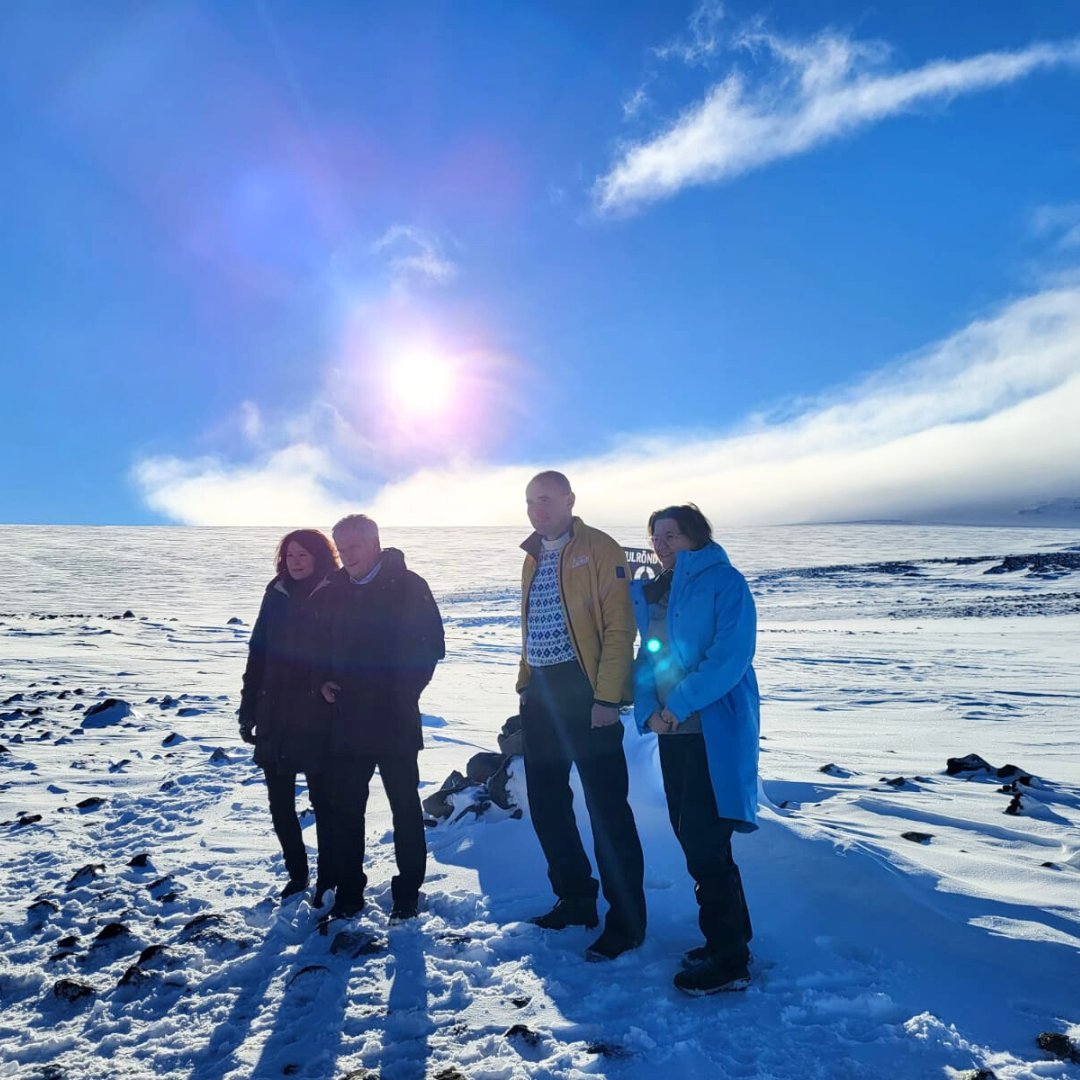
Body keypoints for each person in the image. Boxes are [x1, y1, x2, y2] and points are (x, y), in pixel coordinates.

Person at [516, 470, 646, 961]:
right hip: (543, 694)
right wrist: (526, 685)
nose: (537, 509)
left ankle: (628, 922)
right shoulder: (532, 555)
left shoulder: (600, 548)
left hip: (588, 690)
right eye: (530, 502)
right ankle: (575, 899)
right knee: (547, 802)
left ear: (570, 500)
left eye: (546, 499)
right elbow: (531, 624)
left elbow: (619, 627)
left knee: (607, 809)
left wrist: (607, 698)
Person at [631, 503, 759, 995]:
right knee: (693, 838)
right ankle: (731, 939)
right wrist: (648, 708)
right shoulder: (658, 592)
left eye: (671, 534)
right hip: (673, 732)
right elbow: (650, 655)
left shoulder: (726, 583)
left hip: (713, 730)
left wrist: (676, 705)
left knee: (706, 843)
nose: (662, 544)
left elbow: (728, 658)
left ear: (695, 536)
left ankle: (729, 962)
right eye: (655, 536)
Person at [317, 513, 445, 924]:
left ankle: (407, 893)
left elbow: (431, 647)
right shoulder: (334, 590)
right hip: (347, 719)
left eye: (355, 545)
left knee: (405, 808)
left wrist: (403, 692)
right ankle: (349, 893)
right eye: (341, 547)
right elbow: (315, 647)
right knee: (346, 809)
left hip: (395, 718)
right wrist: (322, 681)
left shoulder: (409, 585)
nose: (348, 554)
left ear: (374, 543)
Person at [238, 529, 338, 900]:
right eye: (290, 555)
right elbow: (257, 651)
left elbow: (341, 650)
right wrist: (248, 707)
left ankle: (328, 878)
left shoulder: (333, 591)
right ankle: (297, 874)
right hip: (274, 711)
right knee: (280, 803)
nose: (295, 562)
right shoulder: (275, 592)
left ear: (319, 557)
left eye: (303, 555)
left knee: (322, 802)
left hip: (315, 713)